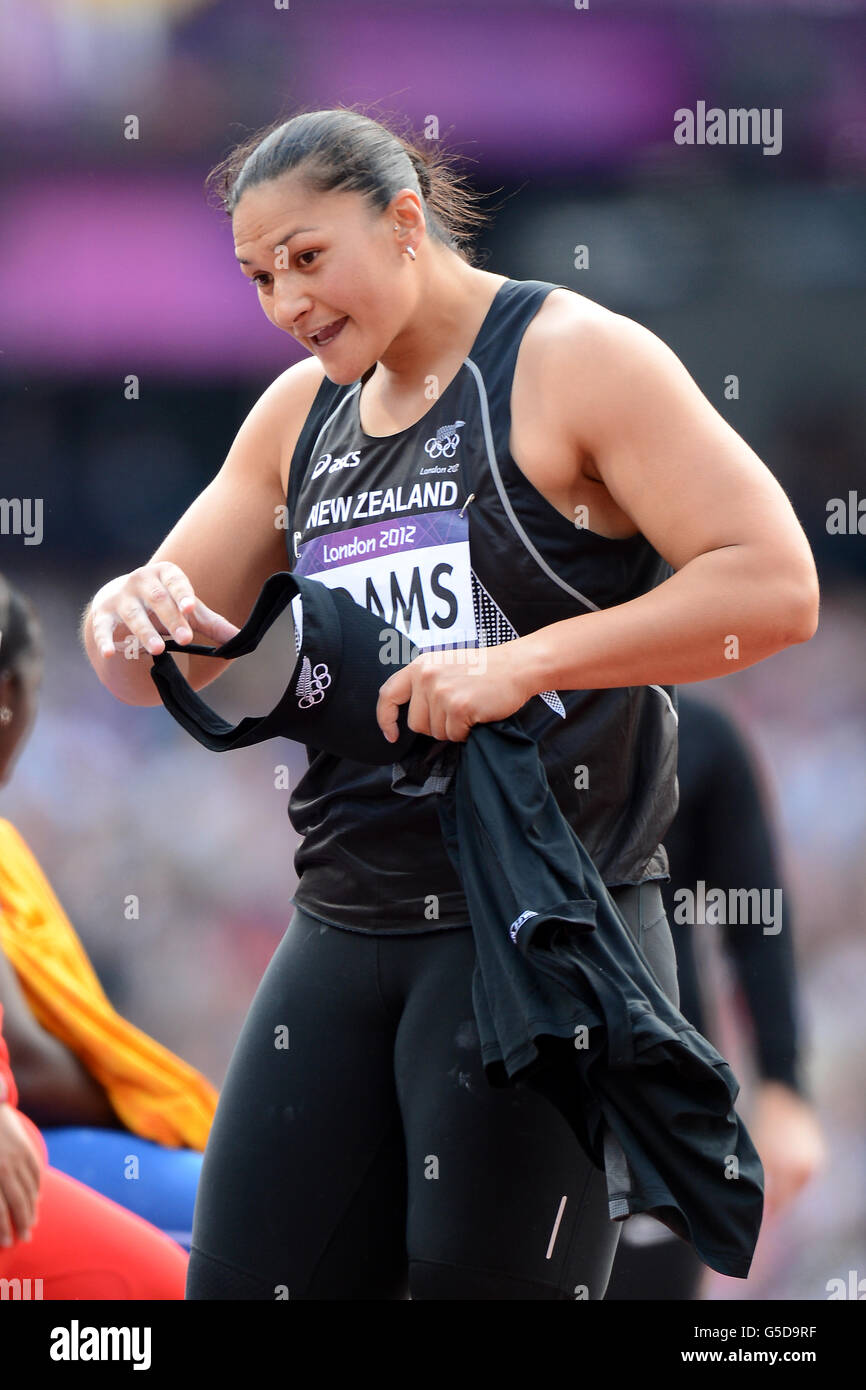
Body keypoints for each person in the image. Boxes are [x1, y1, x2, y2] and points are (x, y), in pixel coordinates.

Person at [80, 108, 819, 1301]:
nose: (284, 304)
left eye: (308, 259)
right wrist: (122, 611)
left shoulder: (572, 357)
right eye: (258, 276)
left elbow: (776, 587)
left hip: (538, 940)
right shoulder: (294, 417)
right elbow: (156, 659)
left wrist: (525, 662)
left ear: (406, 222)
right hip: (342, 924)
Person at [0, 575, 216, 1250]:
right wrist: (142, 1101)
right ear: (9, 695)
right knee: (270, 1217)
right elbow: (25, 1063)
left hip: (50, 1139)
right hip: (37, 1146)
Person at [605, 691, 827, 1300]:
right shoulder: (497, 719)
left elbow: (757, 925)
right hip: (510, 1072)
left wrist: (784, 1085)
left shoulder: (698, 737)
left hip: (663, 1099)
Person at [0, 1000, 188, 1299]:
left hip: (32, 1135)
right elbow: (30, 1066)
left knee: (174, 1282)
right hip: (44, 1131)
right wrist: (135, 1103)